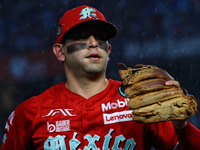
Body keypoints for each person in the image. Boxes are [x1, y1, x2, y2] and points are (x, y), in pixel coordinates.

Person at [1, 5, 200, 150]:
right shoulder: (29, 113)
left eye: (100, 38)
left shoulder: (139, 102)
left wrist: (181, 126)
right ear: (60, 52)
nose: (94, 43)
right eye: (82, 36)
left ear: (109, 50)